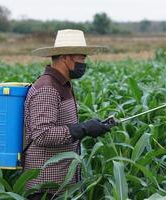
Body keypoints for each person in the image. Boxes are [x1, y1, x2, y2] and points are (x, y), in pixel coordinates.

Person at [23, 29, 115, 199]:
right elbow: (42, 135)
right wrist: (84, 129)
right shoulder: (48, 88)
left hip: (61, 185)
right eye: (81, 58)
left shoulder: (63, 84)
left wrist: (94, 127)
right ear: (65, 57)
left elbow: (64, 126)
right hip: (45, 187)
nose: (83, 63)